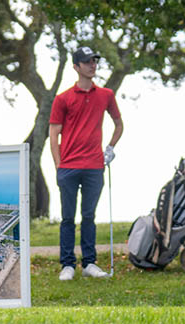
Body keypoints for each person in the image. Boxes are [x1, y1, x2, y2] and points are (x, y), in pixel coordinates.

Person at [49, 46, 124, 281]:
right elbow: (53, 135)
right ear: (76, 67)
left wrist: (110, 147)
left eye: (95, 60)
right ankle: (67, 265)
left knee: (89, 216)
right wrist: (58, 166)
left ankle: (89, 263)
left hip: (94, 166)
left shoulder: (106, 95)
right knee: (68, 218)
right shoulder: (62, 99)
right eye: (87, 62)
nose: (93, 65)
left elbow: (119, 124)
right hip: (69, 167)